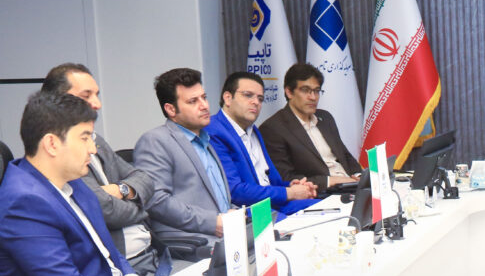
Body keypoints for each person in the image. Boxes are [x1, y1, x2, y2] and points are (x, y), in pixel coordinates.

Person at [0, 91, 142, 276]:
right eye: (84, 138)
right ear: (52, 144)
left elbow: (106, 248)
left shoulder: (73, 180)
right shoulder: (24, 202)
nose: (93, 149)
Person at [42, 63, 161, 276]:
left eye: (97, 95)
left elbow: (145, 179)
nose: (97, 104)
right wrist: (142, 206)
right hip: (121, 268)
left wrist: (120, 190)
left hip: (149, 256)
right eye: (86, 96)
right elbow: (105, 210)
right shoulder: (60, 154)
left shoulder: (96, 140)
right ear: (59, 102)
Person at [134, 68, 232, 254]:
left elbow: (213, 198)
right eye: (193, 101)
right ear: (171, 109)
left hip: (227, 237)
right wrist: (213, 222)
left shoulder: (205, 139)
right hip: (193, 244)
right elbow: (156, 200)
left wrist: (232, 214)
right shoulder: (155, 140)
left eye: (204, 97)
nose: (204, 105)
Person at [208, 71, 319, 216]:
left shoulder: (253, 130)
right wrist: (289, 192)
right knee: (303, 225)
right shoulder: (214, 131)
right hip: (249, 211)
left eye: (260, 98)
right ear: (228, 98)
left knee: (332, 210)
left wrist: (294, 186)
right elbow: (235, 191)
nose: (256, 102)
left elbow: (269, 181)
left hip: (274, 203)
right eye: (248, 95)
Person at [259, 62, 361, 191]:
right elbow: (285, 177)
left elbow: (345, 156)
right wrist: (331, 181)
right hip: (321, 193)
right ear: (289, 92)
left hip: (352, 187)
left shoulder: (325, 118)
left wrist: (360, 176)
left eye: (316, 91)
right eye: (305, 90)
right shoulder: (273, 129)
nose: (313, 97)